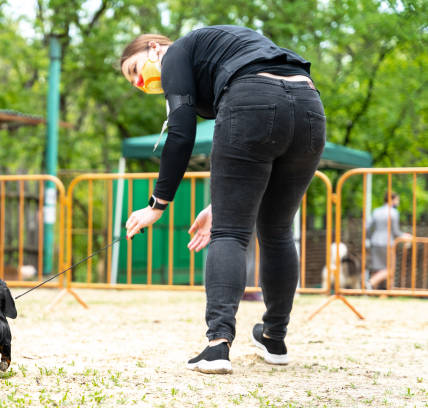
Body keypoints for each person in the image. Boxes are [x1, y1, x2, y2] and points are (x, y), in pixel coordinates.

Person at [122, 26, 326, 374]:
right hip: (309, 105)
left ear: (154, 49)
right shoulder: (217, 51)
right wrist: (219, 204)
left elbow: (182, 131)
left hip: (252, 97)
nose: (140, 83)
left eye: (135, 71)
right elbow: (254, 143)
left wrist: (157, 205)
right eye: (133, 83)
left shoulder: (176, 53)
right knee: (277, 231)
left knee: (230, 233)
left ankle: (217, 346)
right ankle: (274, 338)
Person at [366, 192, 411, 289]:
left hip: (375, 241)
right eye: (397, 200)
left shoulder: (376, 211)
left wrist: (370, 238)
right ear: (392, 200)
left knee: (377, 268)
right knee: (390, 269)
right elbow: (395, 232)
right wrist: (404, 236)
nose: (398, 202)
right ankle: (370, 283)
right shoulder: (394, 213)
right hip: (387, 242)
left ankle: (379, 293)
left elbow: (368, 227)